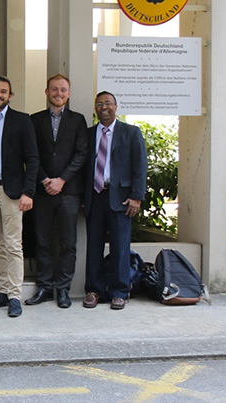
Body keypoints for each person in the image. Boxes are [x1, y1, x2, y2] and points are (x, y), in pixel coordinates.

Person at [25, 74, 88, 309]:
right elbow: (31, 155)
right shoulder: (35, 120)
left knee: (68, 243)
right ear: (46, 92)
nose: (58, 93)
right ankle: (44, 287)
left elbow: (81, 154)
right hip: (42, 192)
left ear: (68, 94)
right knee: (42, 242)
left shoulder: (78, 120)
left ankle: (62, 289)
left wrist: (62, 180)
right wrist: (44, 180)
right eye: (54, 89)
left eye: (63, 90)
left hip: (69, 192)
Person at [0, 77, 39, 318]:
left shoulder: (21, 121)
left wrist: (28, 192)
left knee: (14, 245)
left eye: (3, 91)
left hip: (12, 191)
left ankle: (15, 295)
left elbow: (32, 159)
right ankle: (3, 291)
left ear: (10, 95)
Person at [83, 91, 147, 311]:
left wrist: (137, 196)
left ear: (116, 106)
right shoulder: (89, 134)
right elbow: (84, 168)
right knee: (93, 246)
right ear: (95, 108)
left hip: (121, 198)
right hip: (95, 196)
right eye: (99, 104)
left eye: (108, 103)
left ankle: (119, 292)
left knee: (121, 246)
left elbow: (140, 167)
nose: (104, 107)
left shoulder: (131, 133)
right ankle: (94, 290)